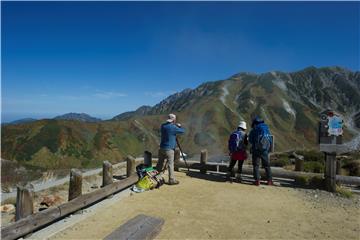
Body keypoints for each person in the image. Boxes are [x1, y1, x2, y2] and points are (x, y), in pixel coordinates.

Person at [156, 113, 185, 185]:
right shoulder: (173, 127)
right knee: (170, 164)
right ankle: (171, 180)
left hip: (162, 148)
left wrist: (174, 125)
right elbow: (182, 131)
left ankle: (156, 177)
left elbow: (169, 129)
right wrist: (179, 126)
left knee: (160, 163)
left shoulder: (163, 126)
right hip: (169, 149)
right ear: (173, 120)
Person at [248, 116, 273, 186]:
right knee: (267, 166)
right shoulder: (266, 128)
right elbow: (270, 139)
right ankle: (269, 181)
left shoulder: (254, 130)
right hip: (265, 150)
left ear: (255, 123)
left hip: (256, 150)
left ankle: (257, 181)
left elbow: (250, 140)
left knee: (256, 165)